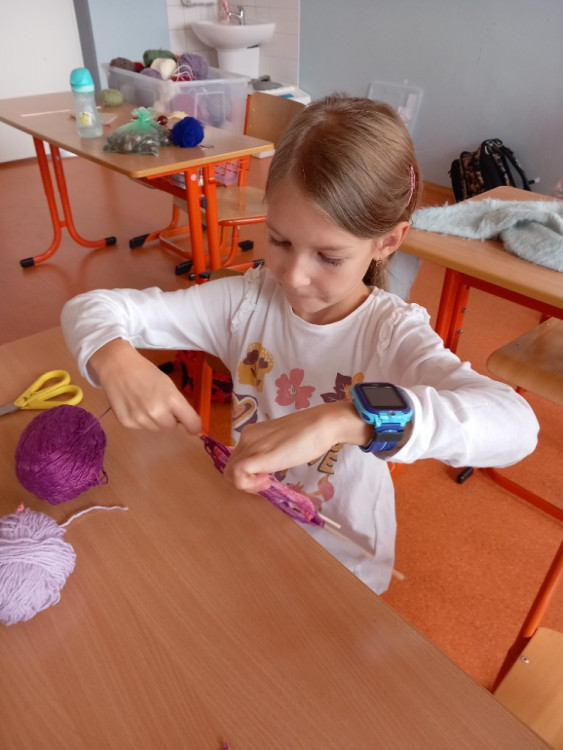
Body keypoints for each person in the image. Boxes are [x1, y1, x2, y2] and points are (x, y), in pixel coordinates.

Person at [61, 95, 539, 594]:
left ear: (388, 242)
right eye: (279, 241)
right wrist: (113, 356)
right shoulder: (246, 303)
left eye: (329, 257)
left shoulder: (389, 333)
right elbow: (90, 308)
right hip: (251, 531)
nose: (293, 276)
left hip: (345, 566)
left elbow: (516, 426)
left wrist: (346, 419)